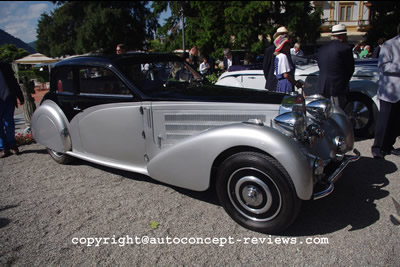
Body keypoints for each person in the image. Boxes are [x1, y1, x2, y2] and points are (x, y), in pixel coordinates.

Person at [371, 24, 400, 159]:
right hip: (390, 91)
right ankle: (377, 147)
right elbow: (383, 66)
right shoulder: (389, 45)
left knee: (396, 122)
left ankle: (389, 146)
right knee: (384, 121)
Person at [317, 24, 354, 110]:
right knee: (338, 114)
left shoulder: (322, 49)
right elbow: (350, 69)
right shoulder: (345, 48)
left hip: (322, 87)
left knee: (323, 113)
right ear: (342, 36)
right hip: (337, 88)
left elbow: (320, 66)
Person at [0, 61, 24, 158]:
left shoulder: (4, 66)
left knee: (9, 122)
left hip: (8, 98)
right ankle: (3, 148)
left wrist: (20, 96)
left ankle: (12, 145)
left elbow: (13, 81)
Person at [262, 26, 294, 91]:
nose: (285, 36)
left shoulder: (287, 50)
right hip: (274, 82)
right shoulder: (270, 50)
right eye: (282, 34)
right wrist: (270, 79)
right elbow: (266, 67)